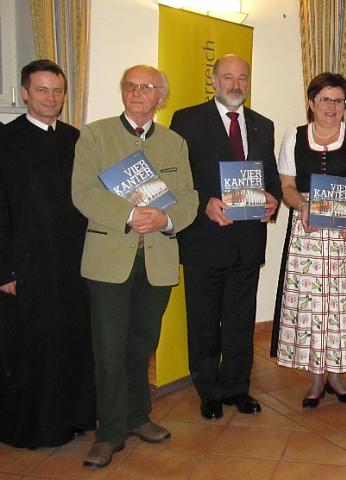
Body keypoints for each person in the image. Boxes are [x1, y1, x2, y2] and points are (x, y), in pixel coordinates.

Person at [72, 65, 198, 468]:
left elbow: (188, 198)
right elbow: (83, 192)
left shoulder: (175, 143)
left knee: (141, 346)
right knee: (108, 349)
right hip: (109, 260)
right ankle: (108, 432)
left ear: (161, 96)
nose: (138, 92)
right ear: (122, 92)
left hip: (157, 261)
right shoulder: (95, 134)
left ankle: (137, 417)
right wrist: (128, 216)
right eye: (131, 85)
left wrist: (165, 219)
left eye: (147, 87)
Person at [170, 54, 280, 420]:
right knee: (203, 321)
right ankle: (209, 391)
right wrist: (203, 203)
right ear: (213, 81)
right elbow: (177, 178)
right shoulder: (186, 120)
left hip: (247, 241)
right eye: (228, 77)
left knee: (240, 319)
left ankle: (237, 388)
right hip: (204, 239)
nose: (236, 85)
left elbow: (272, 179)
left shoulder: (263, 125)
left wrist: (272, 199)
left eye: (242, 78)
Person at [0, 59, 95, 449]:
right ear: (24, 93)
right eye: (42, 90)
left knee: (71, 342)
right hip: (25, 265)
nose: (50, 98)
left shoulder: (76, 139)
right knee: (29, 349)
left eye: (57, 91)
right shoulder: (5, 141)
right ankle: (29, 428)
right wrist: (4, 269)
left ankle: (72, 418)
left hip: (72, 263)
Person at [273, 72, 346, 407]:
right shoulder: (293, 136)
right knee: (312, 304)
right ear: (311, 103)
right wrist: (302, 206)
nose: (332, 107)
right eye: (325, 100)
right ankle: (316, 377)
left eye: (338, 100)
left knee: (342, 303)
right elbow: (287, 187)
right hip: (309, 231)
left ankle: (337, 374)